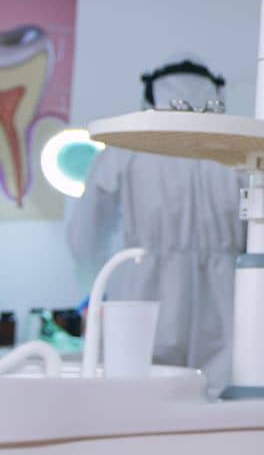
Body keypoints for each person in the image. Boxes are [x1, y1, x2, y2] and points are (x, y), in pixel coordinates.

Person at [66, 58, 243, 393]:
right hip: (226, 289)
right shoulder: (238, 148)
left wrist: (95, 283)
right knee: (219, 402)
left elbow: (85, 233)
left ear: (150, 95)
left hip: (144, 287)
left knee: (142, 397)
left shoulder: (129, 146)